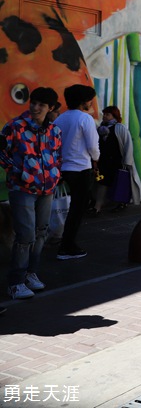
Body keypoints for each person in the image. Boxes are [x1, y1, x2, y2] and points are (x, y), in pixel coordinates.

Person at [1, 87, 63, 299]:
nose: (35, 107)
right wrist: (18, 172)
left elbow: (56, 156)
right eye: (33, 102)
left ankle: (30, 274)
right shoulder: (15, 127)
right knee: (25, 235)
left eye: (41, 105)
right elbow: (1, 152)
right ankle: (16, 282)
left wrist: (55, 174)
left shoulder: (55, 131)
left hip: (47, 189)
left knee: (41, 231)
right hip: (22, 189)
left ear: (51, 108)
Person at [53, 84, 100, 260]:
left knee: (66, 206)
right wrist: (96, 159)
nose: (91, 103)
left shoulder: (59, 120)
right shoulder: (85, 119)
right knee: (77, 209)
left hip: (62, 169)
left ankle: (60, 240)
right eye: (90, 100)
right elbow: (93, 147)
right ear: (84, 101)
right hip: (81, 169)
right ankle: (67, 246)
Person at [94, 105, 141, 213]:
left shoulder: (120, 128)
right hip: (104, 162)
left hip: (117, 162)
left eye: (108, 114)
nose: (105, 117)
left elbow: (127, 145)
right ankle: (97, 206)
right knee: (102, 182)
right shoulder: (100, 129)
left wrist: (127, 162)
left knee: (119, 182)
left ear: (114, 116)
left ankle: (121, 203)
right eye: (104, 114)